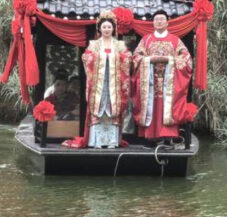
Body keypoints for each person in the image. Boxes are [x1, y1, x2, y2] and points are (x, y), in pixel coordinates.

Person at [63, 10, 131, 148]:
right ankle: (96, 141)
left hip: (114, 85)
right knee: (98, 109)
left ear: (113, 29)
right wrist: (101, 57)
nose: (106, 29)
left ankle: (112, 141)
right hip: (98, 85)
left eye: (109, 27)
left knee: (112, 109)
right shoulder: (94, 44)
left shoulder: (119, 45)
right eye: (104, 27)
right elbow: (86, 58)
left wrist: (115, 58)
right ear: (99, 28)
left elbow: (128, 58)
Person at [132, 9, 192, 140]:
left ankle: (168, 136)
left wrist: (169, 60)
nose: (159, 22)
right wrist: (148, 60)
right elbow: (136, 57)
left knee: (167, 105)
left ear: (167, 23)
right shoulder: (146, 40)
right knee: (150, 105)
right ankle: (150, 137)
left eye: (162, 19)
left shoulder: (175, 40)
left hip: (169, 81)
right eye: (156, 19)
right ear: (153, 23)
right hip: (150, 81)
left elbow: (186, 58)